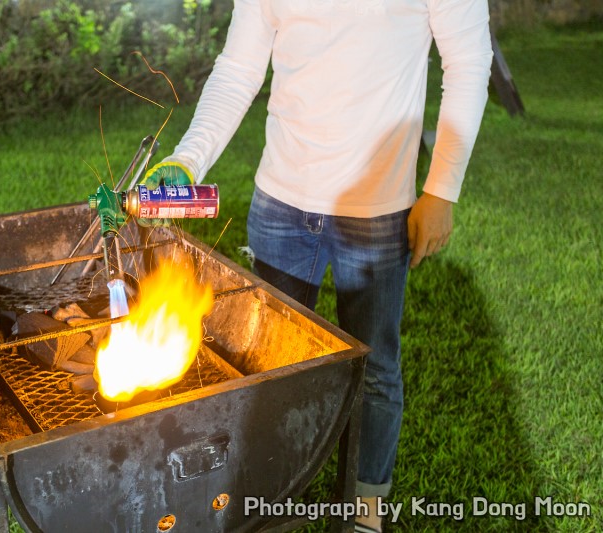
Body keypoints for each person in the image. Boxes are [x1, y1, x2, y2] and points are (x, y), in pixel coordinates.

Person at [142, 0, 492, 531]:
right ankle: (268, 502)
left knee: (373, 371)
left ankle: (363, 513)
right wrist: (187, 160)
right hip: (280, 202)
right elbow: (238, 69)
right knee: (267, 368)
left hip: (376, 210)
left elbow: (469, 60)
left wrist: (441, 190)